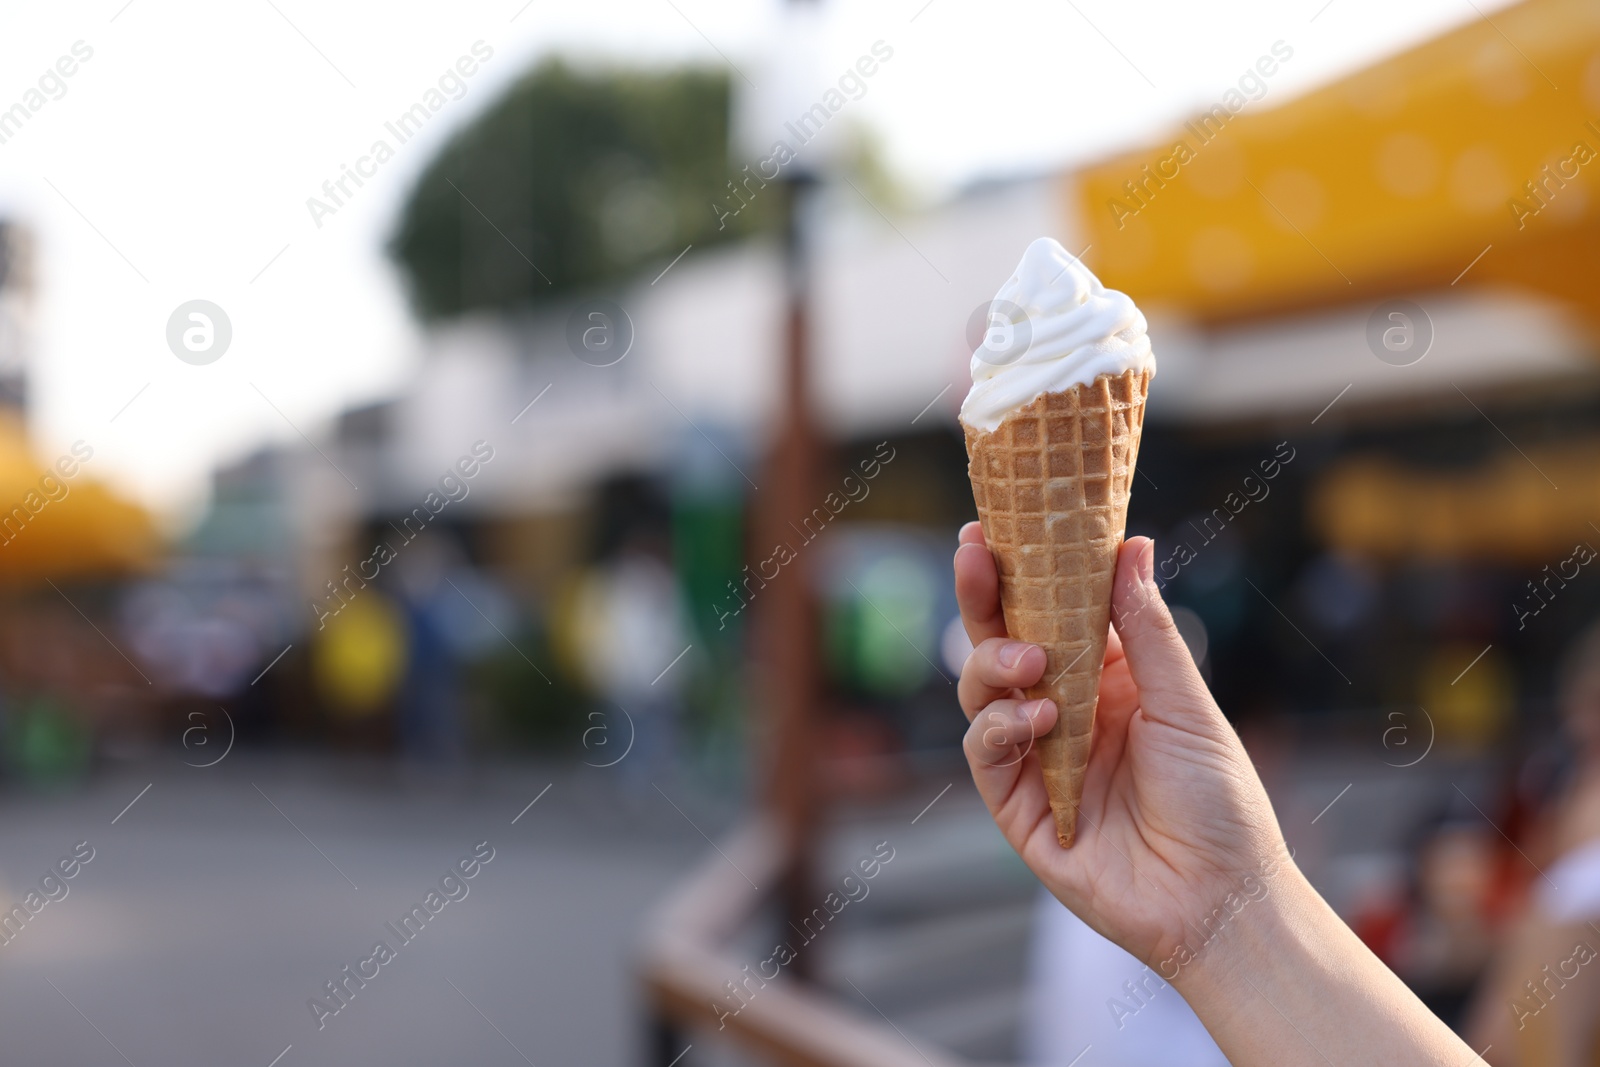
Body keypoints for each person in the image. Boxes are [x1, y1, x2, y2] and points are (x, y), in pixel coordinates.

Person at [953, 525, 1479, 1065]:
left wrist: (1241, 892)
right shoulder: (1126, 857)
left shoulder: (1118, 866)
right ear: (1251, 734)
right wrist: (1243, 895)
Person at [1464, 620, 1600, 1065]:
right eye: (1579, 709)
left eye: (1593, 708)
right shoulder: (1570, 785)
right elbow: (1534, 879)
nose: (1580, 727)